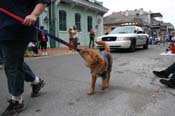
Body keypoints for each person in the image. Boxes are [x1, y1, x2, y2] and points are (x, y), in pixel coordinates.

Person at [0, 0, 50, 116]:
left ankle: (17, 100)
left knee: (12, 64)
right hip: (2, 29)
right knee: (13, 60)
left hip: (17, 27)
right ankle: (36, 82)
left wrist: (34, 14)